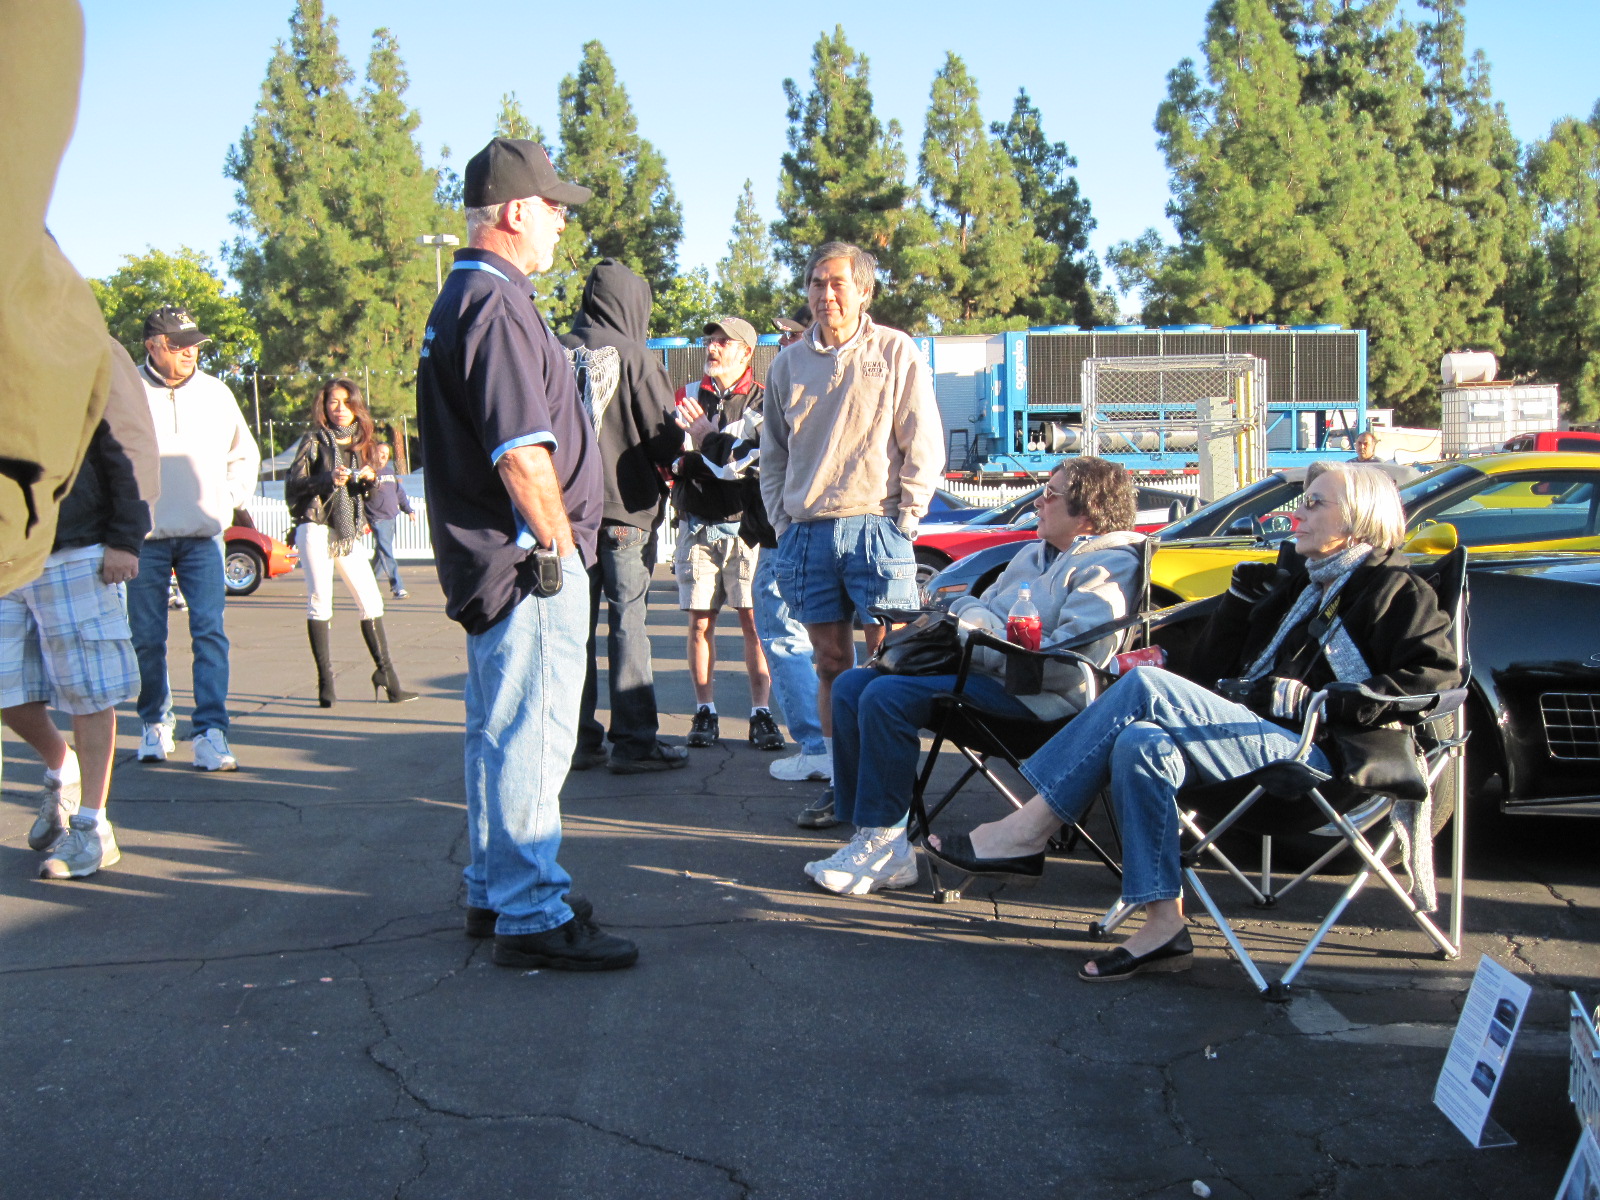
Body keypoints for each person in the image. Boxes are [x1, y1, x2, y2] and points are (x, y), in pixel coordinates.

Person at [927, 463, 1459, 980]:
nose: (1296, 514)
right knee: (1140, 742)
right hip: (1250, 744)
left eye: (1315, 503)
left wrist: (1316, 700)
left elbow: (1434, 681)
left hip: (1322, 757)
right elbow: (1209, 674)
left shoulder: (1399, 590)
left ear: (1360, 517)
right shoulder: (1298, 586)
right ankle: (1163, 926)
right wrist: (1238, 606)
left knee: (1145, 685)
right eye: (1302, 501)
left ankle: (1027, 830)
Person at [415, 135, 635, 971]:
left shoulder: (467, 296)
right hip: (526, 565)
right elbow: (520, 453)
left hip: (492, 563)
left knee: (499, 735)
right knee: (532, 738)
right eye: (552, 208)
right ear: (513, 212)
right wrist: (560, 549)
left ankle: (498, 887)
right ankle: (531, 909)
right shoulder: (498, 303)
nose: (560, 224)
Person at [806, 457, 1146, 895]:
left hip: (1041, 704)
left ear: (1088, 515)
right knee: (852, 685)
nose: (1038, 502)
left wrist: (981, 631)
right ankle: (872, 835)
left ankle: (888, 851)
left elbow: (1065, 661)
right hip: (985, 677)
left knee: (887, 696)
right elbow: (973, 606)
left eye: (1051, 494)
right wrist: (981, 624)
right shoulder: (1033, 553)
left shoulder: (1111, 566)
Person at [760, 242, 945, 825]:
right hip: (807, 534)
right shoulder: (786, 364)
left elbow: (923, 439)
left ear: (864, 291)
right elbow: (773, 454)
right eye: (816, 283)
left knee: (889, 667)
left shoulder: (894, 350)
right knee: (830, 663)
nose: (825, 294)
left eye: (837, 283)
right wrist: (784, 524)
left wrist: (907, 519)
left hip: (877, 528)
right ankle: (844, 786)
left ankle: (891, 799)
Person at [2, 337, 158, 878]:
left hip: (75, 548)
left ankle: (93, 828)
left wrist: (126, 537)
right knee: (6, 691)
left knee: (88, 692)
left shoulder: (76, 343)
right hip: (8, 555)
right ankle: (60, 766)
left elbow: (126, 444)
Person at [559, 258, 687, 775]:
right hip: (624, 512)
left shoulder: (553, 349)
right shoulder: (635, 355)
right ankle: (634, 742)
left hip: (565, 513)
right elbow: (664, 436)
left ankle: (578, 740)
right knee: (627, 621)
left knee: (574, 628)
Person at [127, 305, 260, 771]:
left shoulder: (216, 392)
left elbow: (244, 454)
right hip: (145, 537)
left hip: (204, 536)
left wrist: (226, 502)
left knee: (209, 633)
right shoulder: (127, 390)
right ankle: (154, 721)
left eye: (194, 345)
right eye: (178, 345)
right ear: (152, 346)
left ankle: (210, 732)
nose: (189, 353)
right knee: (146, 638)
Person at [671, 316, 780, 753]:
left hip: (745, 530)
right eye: (709, 340)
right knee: (700, 623)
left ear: (746, 352)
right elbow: (671, 456)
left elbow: (752, 463)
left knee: (754, 623)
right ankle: (705, 710)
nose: (712, 348)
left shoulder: (763, 400)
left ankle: (761, 712)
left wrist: (705, 453)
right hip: (696, 524)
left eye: (723, 342)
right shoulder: (685, 395)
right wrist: (688, 462)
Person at [286, 379, 417, 707]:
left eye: (346, 402)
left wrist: (369, 482)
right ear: (324, 406)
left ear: (357, 406)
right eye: (333, 402)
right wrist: (327, 479)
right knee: (320, 600)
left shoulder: (364, 443)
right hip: (316, 525)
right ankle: (325, 683)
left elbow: (365, 497)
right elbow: (294, 484)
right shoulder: (314, 440)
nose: (340, 409)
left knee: (371, 600)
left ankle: (387, 676)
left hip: (347, 532)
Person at [367, 441, 416, 600]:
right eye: (381, 452)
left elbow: (399, 493)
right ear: (374, 452)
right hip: (377, 517)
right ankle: (397, 587)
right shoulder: (367, 471)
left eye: (387, 454)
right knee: (386, 552)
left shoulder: (389, 472)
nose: (384, 456)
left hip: (391, 517)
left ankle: (368, 585)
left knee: (381, 553)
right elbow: (358, 496)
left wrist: (409, 510)